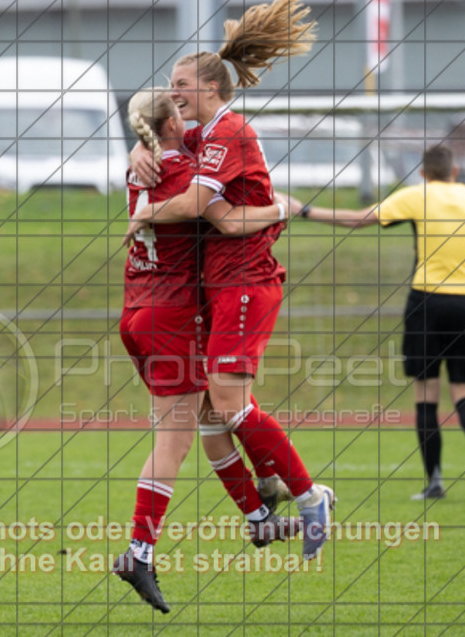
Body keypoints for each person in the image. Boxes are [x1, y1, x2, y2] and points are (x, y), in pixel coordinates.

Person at [125, 0, 335, 561]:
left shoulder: (231, 131)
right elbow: (163, 146)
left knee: (228, 402)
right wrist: (137, 152)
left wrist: (145, 210)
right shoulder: (199, 135)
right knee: (216, 411)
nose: (173, 92)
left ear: (211, 89)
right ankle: (264, 502)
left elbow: (199, 204)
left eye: (182, 83)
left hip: (245, 278)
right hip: (214, 285)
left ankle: (309, 495)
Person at [112, 88, 295, 613]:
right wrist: (283, 209)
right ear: (172, 124)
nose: (186, 110)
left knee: (214, 415)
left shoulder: (140, 169)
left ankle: (259, 521)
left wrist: (136, 148)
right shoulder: (183, 172)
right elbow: (213, 207)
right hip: (170, 314)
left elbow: (174, 148)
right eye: (178, 108)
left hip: (137, 309)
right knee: (174, 441)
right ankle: (138, 552)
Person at [287, 145, 465, 501]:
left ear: (423, 173)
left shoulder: (416, 196)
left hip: (427, 302)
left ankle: (435, 481)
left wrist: (306, 210)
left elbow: (359, 219)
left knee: (426, 394)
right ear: (456, 170)